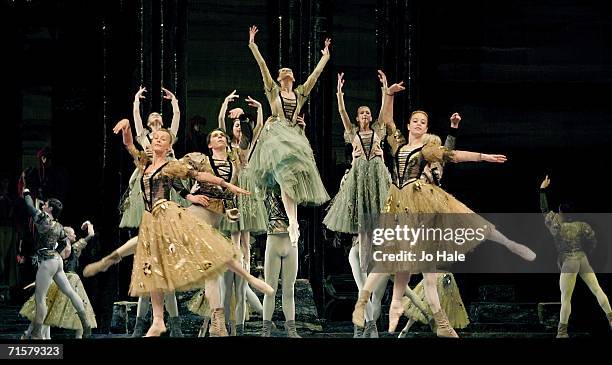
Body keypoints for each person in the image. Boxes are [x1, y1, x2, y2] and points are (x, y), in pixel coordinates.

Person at [246, 25, 331, 246]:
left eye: (289, 71)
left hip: (294, 134)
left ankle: (293, 222)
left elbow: (315, 76)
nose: (287, 72)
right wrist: (253, 44)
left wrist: (325, 57)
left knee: (290, 181)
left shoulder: (300, 92)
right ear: (279, 77)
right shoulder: (273, 90)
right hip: (276, 134)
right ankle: (292, 221)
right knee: (284, 178)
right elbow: (263, 66)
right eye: (283, 71)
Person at [539, 175, 612, 338]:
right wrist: (587, 254)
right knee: (597, 290)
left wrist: (542, 190)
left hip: (569, 261)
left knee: (566, 298)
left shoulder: (556, 224)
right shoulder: (582, 225)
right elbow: (593, 241)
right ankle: (611, 319)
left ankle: (561, 332)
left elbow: (544, 210)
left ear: (560, 212)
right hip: (582, 258)